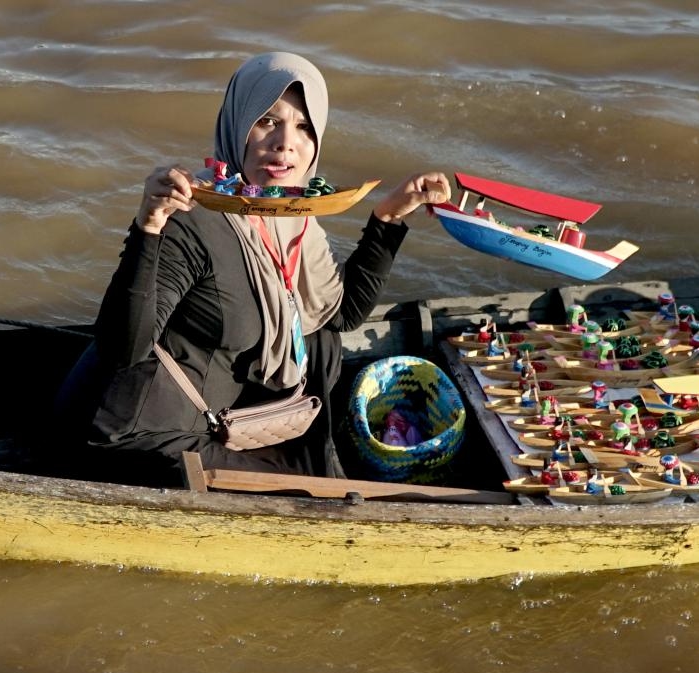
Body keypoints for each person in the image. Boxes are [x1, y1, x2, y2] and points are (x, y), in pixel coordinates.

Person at [52, 52, 450, 487]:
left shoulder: (290, 214)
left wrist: (388, 219)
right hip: (133, 434)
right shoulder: (190, 214)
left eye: (303, 127)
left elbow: (339, 314)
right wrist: (148, 228)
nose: (285, 143)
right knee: (307, 496)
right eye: (267, 121)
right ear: (238, 127)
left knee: (321, 343)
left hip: (210, 419)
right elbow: (122, 350)